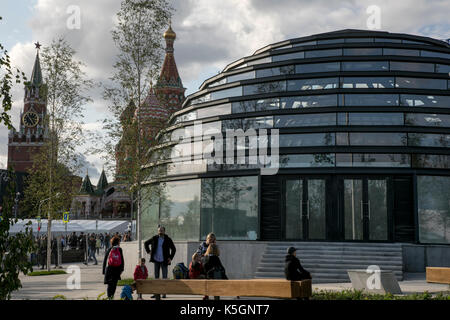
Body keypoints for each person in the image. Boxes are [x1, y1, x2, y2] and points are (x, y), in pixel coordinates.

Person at [144, 226, 176, 299]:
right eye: (159, 230)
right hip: (156, 260)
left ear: (164, 231)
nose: (160, 232)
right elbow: (146, 243)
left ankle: (164, 293)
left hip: (164, 261)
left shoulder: (168, 239)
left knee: (164, 278)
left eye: (161, 230)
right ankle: (156, 293)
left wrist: (170, 258)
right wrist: (149, 251)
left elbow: (173, 249)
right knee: (156, 278)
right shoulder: (154, 238)